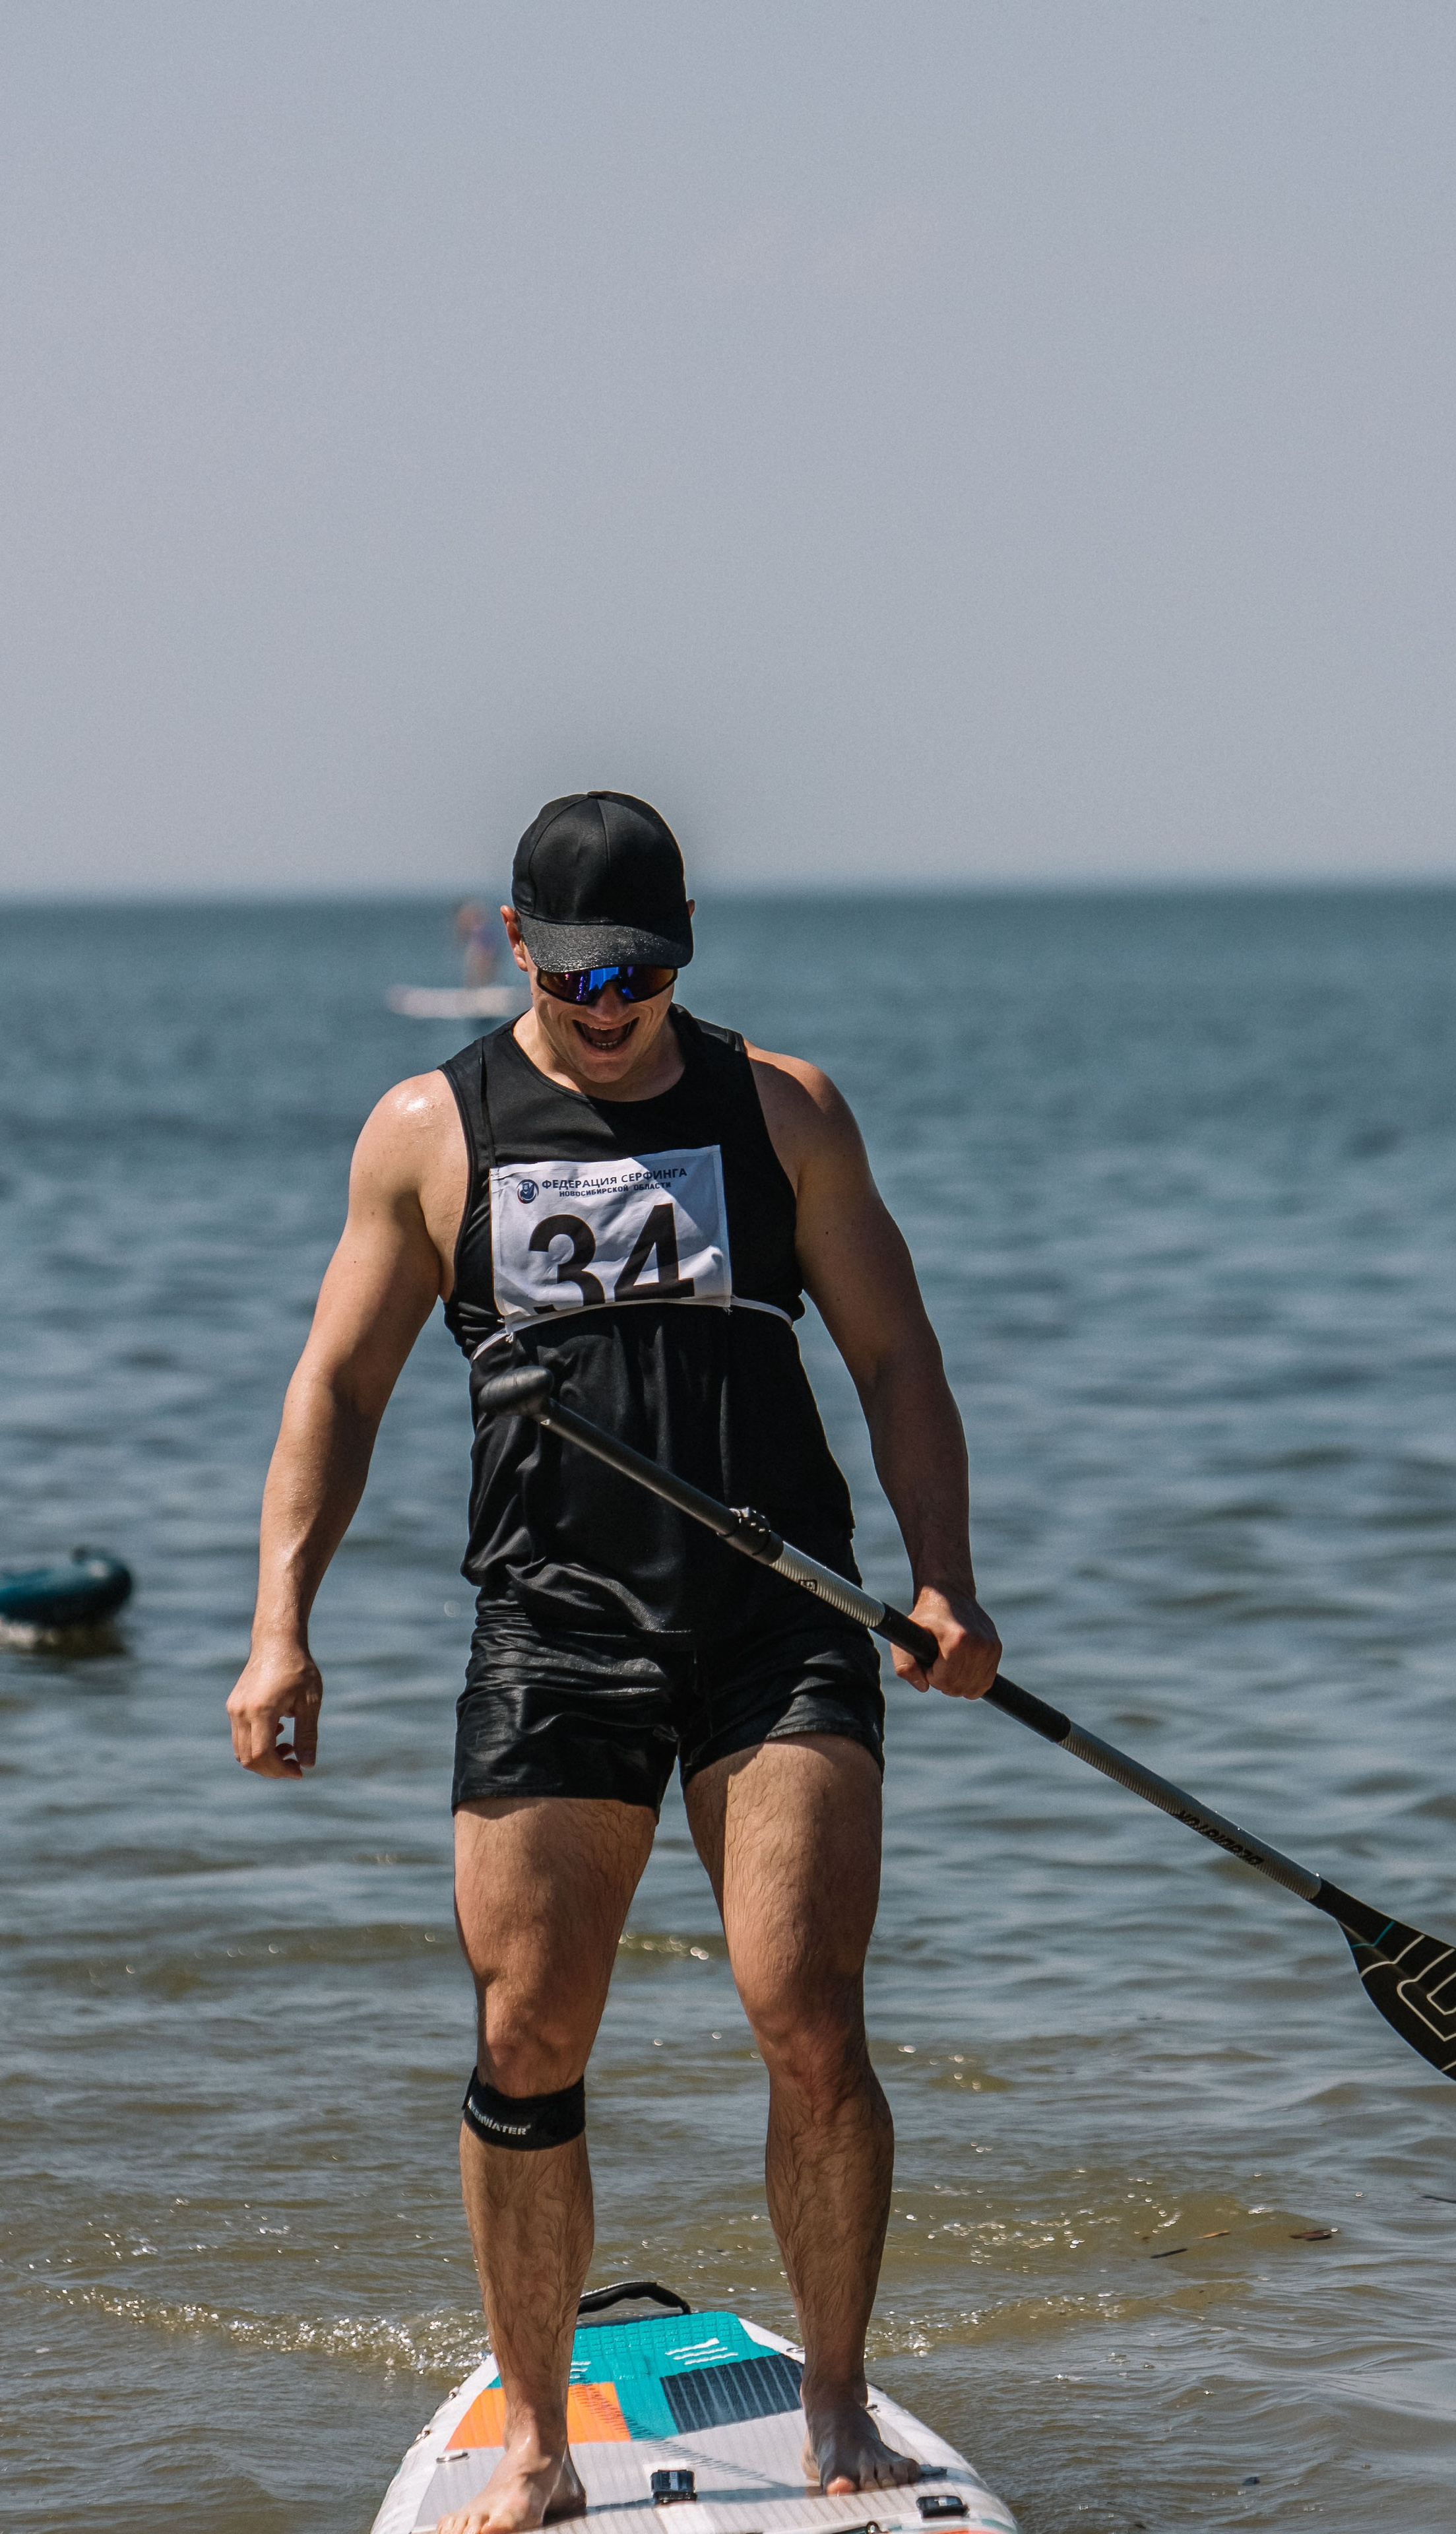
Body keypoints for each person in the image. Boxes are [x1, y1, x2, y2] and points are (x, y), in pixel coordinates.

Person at [226, 791, 1001, 2531]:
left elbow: (898, 1359)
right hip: (552, 1627)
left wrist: (944, 1579)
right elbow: (338, 1389)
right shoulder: (431, 1132)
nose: (607, 1005)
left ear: (686, 946)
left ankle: (837, 2400)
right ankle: (537, 2444)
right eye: (575, 973)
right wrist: (282, 1628)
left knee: (807, 2014)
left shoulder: (783, 1111)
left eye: (639, 973)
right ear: (515, 944)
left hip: (778, 1621)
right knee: (527, 2035)